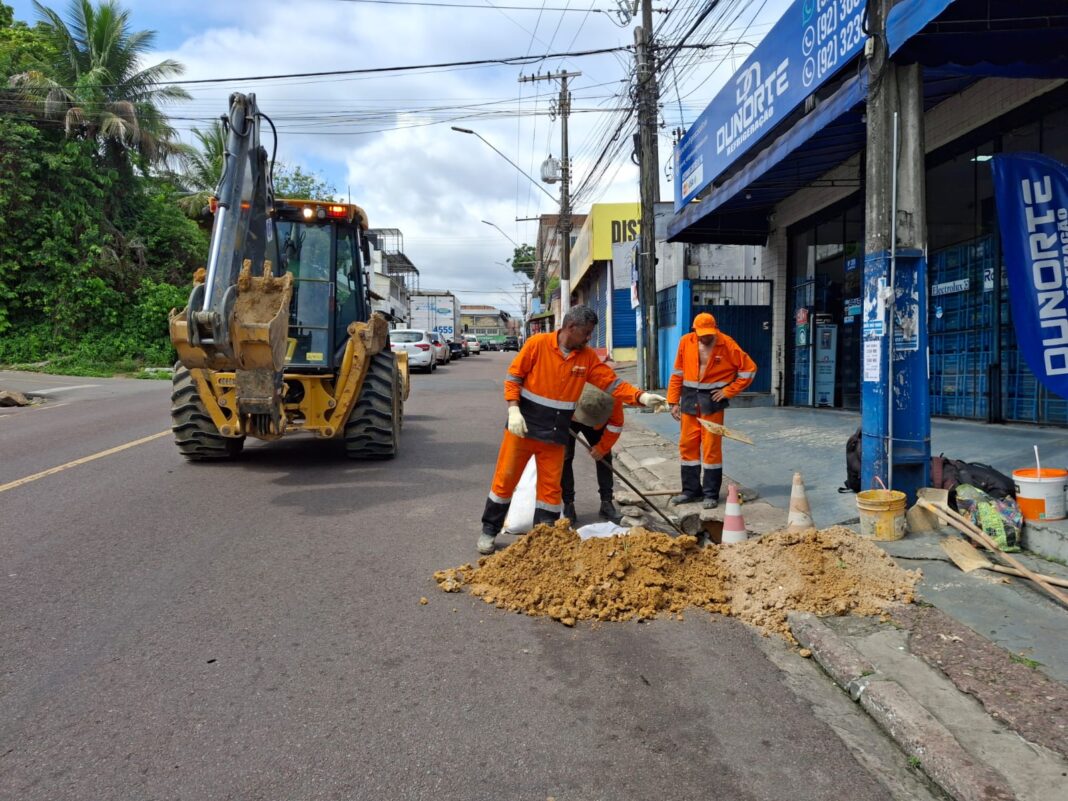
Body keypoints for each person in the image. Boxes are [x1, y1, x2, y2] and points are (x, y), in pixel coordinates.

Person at [478, 305, 668, 554]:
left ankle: (543, 540)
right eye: (586, 333)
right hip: (522, 429)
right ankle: (488, 532)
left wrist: (641, 397)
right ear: (570, 328)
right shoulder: (537, 345)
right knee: (505, 481)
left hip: (556, 434)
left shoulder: (586, 357)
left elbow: (611, 383)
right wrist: (513, 409)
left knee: (550, 491)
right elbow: (514, 377)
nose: (589, 338)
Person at [667, 312, 757, 509]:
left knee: (711, 448)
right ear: (695, 331)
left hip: (712, 402)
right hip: (689, 399)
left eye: (709, 334)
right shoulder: (686, 342)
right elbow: (677, 373)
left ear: (715, 329)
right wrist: (673, 401)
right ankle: (691, 491)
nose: (705, 337)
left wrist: (728, 391)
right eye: (701, 334)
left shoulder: (727, 344)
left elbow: (749, 370)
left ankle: (711, 494)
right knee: (687, 445)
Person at [561, 383, 624, 525]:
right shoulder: (568, 386)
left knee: (604, 457)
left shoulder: (613, 398)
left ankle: (606, 503)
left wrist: (602, 448)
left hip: (598, 419)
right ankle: (568, 505)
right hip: (570, 416)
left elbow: (616, 425)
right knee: (564, 457)